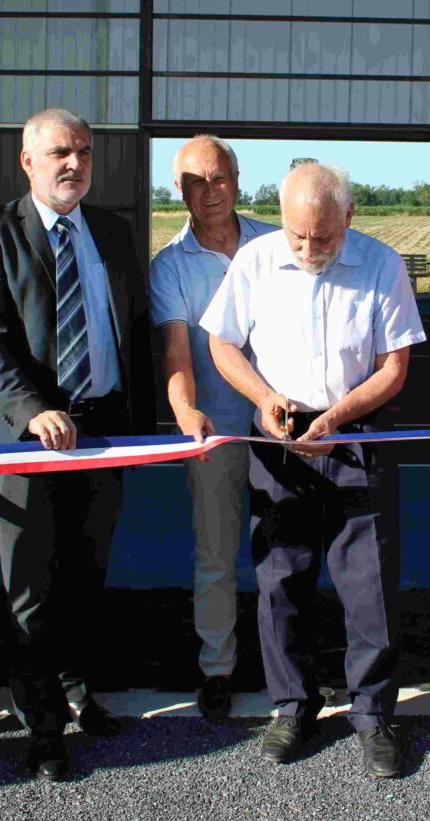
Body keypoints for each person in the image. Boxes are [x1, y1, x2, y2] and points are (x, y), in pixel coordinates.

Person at [201, 162, 425, 779]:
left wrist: (336, 418)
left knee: (370, 585)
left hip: (357, 433)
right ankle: (292, 707)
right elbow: (223, 345)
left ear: (349, 218)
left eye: (322, 238)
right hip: (279, 434)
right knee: (280, 580)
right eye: (297, 235)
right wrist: (264, 399)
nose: (307, 250)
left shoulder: (382, 264)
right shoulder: (254, 261)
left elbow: (393, 367)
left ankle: (373, 715)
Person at [0, 108, 155, 781]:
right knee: (31, 589)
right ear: (27, 161)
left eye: (84, 152)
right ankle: (42, 725)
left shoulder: (115, 231)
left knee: (85, 575)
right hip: (28, 440)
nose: (74, 163)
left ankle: (76, 690)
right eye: (59, 153)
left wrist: (145, 422)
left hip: (102, 435)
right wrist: (33, 408)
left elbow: (135, 329)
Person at [150, 135, 279, 719]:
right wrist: (185, 413)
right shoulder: (170, 266)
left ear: (238, 179)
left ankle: (289, 666)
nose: (210, 191)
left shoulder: (277, 245)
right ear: (180, 190)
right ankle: (218, 668)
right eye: (196, 182)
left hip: (283, 428)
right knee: (216, 554)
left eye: (219, 178)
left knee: (287, 551)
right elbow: (177, 351)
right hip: (216, 430)